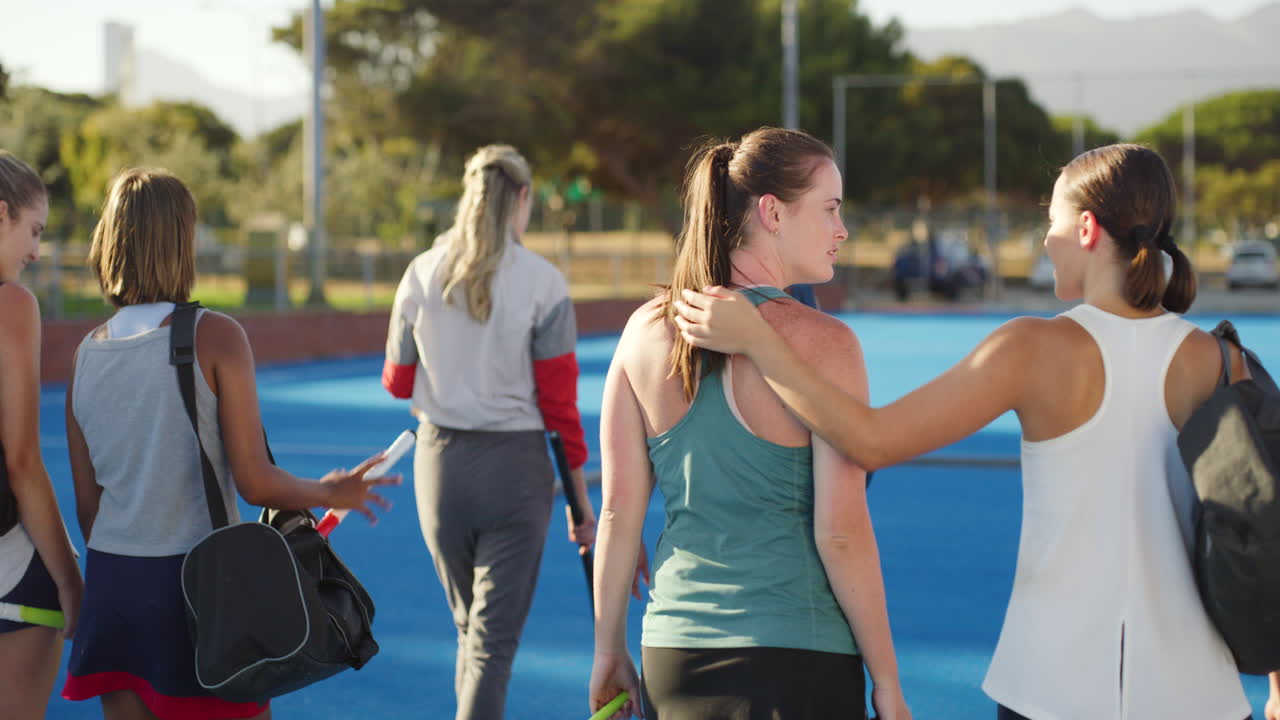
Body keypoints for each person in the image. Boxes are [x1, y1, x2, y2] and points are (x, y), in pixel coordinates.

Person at [673, 143, 1264, 720]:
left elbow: (872, 440)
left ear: (1086, 229)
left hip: (1052, 689)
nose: (1045, 240)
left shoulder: (1031, 348)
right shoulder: (1224, 360)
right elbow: (1265, 518)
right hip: (1200, 693)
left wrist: (757, 342)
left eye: (1051, 221)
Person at [588, 127, 911, 720]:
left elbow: (616, 512)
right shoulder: (829, 346)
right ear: (772, 213)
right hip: (799, 658)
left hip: (673, 653)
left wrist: (607, 647)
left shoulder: (641, 333)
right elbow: (840, 532)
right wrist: (887, 680)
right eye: (831, 209)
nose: (842, 231)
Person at [61, 167, 396, 720]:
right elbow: (253, 478)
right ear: (181, 242)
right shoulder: (215, 336)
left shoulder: (85, 354)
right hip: (198, 588)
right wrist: (329, 489)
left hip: (114, 589)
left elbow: (88, 506)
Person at [383, 144, 626, 720]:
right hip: (516, 473)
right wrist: (581, 504)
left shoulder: (421, 271)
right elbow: (560, 408)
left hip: (438, 467)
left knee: (471, 633)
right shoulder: (543, 283)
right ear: (522, 198)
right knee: (491, 648)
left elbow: (397, 381)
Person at [0, 150, 83, 720]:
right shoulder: (11, 304)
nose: (35, 251)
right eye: (33, 230)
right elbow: (22, 461)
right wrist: (70, 579)